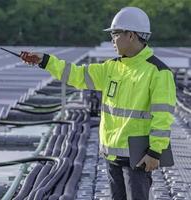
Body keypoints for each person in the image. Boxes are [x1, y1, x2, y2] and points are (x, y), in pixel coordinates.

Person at [19, 7, 176, 200]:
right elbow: (77, 75)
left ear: (131, 35)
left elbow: (163, 116)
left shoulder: (158, 72)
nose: (112, 40)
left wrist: (155, 152)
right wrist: (45, 61)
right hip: (112, 154)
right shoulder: (112, 67)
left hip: (138, 156)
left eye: (115, 34)